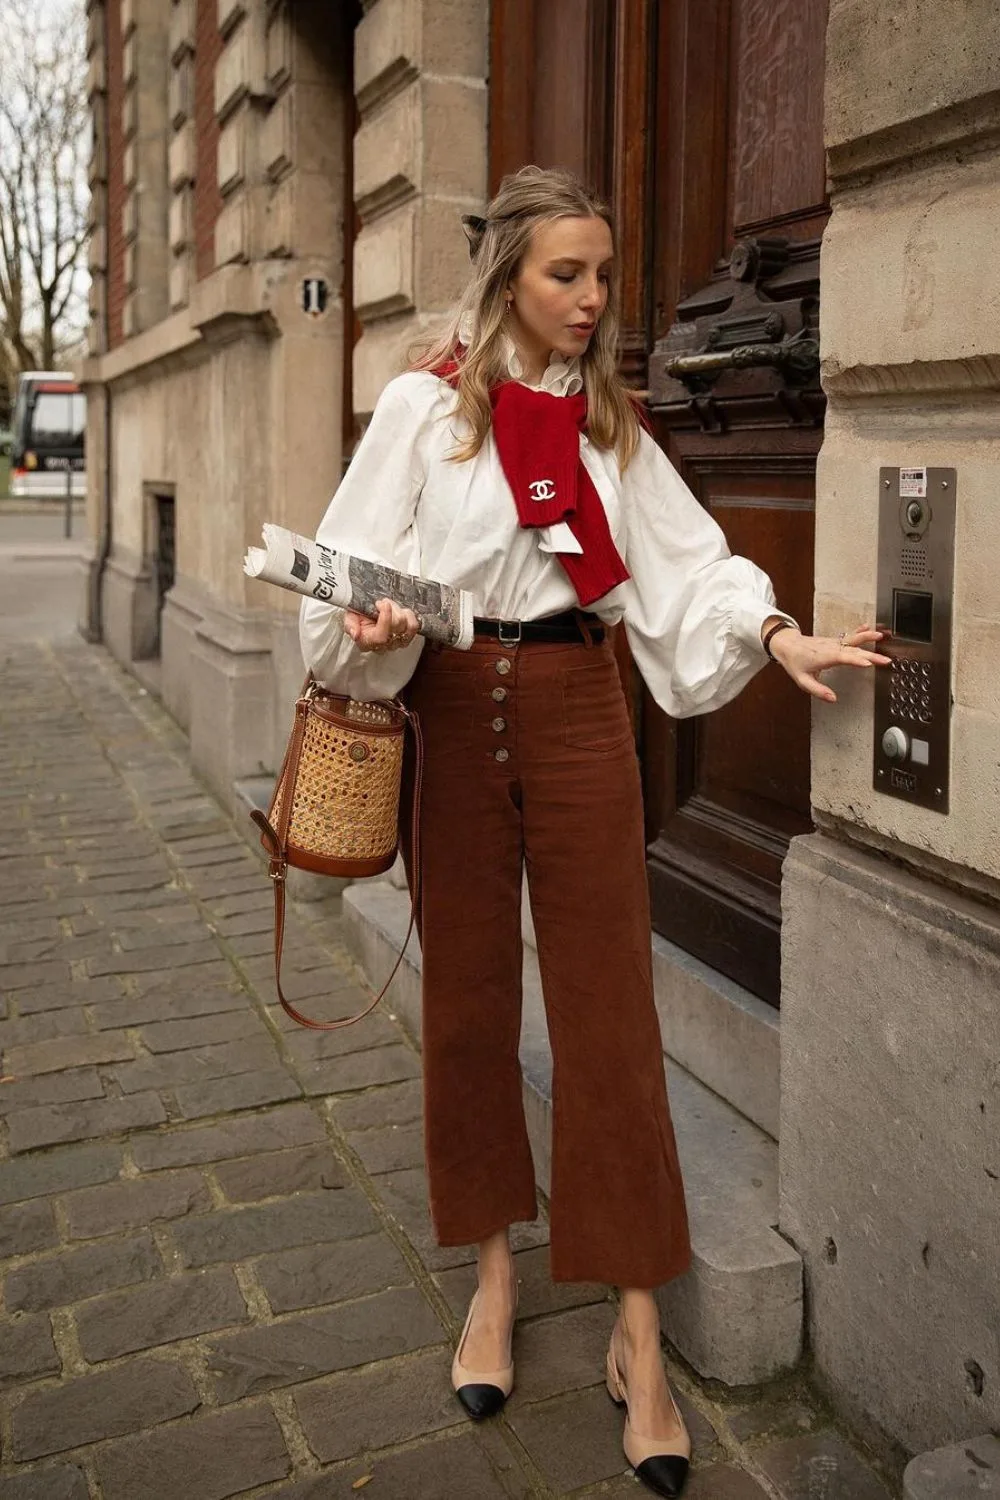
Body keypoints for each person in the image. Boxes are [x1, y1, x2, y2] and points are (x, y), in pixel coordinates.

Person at [300, 165, 889, 1499]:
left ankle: (637, 1330)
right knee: (465, 1003)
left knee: (612, 1016)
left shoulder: (610, 423)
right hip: (450, 705)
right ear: (511, 270)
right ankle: (494, 1280)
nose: (593, 301)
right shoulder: (420, 410)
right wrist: (368, 625)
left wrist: (777, 630)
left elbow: (688, 566)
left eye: (606, 277)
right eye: (569, 274)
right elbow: (343, 571)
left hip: (576, 705)